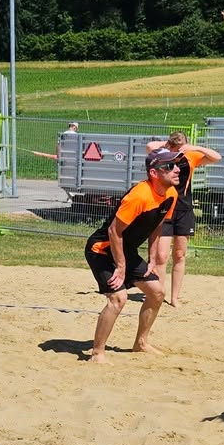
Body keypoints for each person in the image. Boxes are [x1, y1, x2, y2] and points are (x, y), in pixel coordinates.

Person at [84, 148, 180, 363]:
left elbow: (157, 225)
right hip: (102, 250)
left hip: (125, 252)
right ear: (154, 173)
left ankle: (141, 343)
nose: (176, 169)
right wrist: (121, 266)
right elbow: (113, 232)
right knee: (119, 298)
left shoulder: (171, 194)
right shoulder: (139, 195)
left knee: (156, 292)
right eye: (169, 166)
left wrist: (153, 257)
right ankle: (97, 353)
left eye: (176, 165)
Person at [144, 129, 224, 308]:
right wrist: (170, 146)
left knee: (179, 254)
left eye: (181, 146)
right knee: (161, 256)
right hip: (165, 209)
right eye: (176, 146)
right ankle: (159, 294)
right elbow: (150, 146)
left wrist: (192, 147)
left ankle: (174, 298)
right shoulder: (162, 156)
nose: (179, 150)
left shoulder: (190, 157)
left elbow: (216, 157)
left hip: (184, 210)